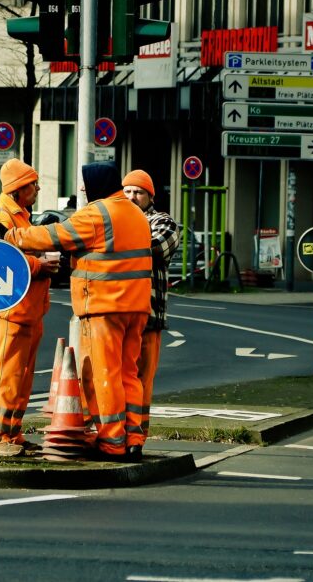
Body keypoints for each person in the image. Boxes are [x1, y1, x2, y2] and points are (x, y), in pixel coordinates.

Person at [0, 161, 152, 462]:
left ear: (97, 184)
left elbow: (56, 236)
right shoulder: (136, 214)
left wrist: (12, 237)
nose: (82, 188)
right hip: (137, 308)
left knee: (103, 375)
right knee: (129, 373)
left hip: (105, 306)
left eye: (85, 182)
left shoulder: (98, 213)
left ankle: (112, 442)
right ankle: (133, 438)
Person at [0, 158, 59, 456]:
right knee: (10, 376)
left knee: (22, 377)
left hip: (28, 311)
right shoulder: (1, 218)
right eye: (33, 184)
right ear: (18, 189)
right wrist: (40, 265)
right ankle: (2, 434)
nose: (38, 188)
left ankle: (12, 433)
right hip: (14, 311)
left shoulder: (20, 216)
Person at [122, 170, 179, 447]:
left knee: (142, 379)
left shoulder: (162, 221)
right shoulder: (118, 219)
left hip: (149, 316)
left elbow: (155, 248)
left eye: (138, 192)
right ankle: (115, 432)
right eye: (128, 191)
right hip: (118, 314)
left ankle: (137, 436)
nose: (132, 197)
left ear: (150, 197)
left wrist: (117, 242)